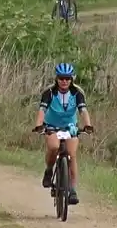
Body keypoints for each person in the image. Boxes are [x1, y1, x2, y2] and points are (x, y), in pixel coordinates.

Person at [36, 63, 94, 206]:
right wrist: (39, 125)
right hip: (51, 126)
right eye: (61, 78)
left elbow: (83, 110)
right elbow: (42, 111)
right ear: (56, 78)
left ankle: (72, 189)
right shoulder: (49, 93)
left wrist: (87, 125)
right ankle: (49, 170)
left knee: (71, 154)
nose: (64, 81)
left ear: (71, 79)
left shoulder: (77, 93)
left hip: (70, 127)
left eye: (67, 78)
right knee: (54, 147)